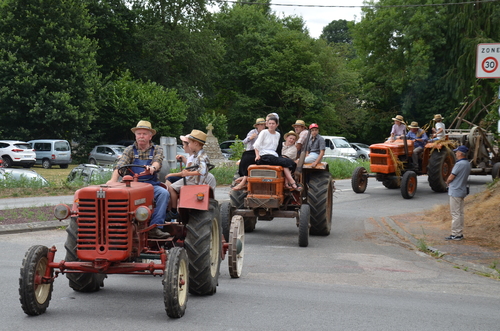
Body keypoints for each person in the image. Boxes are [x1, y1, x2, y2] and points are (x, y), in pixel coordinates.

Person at [107, 120, 170, 239]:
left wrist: (152, 167)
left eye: (144, 134)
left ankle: (155, 227)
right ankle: (116, 227)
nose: (141, 136)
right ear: (135, 135)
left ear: (150, 136)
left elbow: (158, 161)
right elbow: (120, 165)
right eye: (139, 134)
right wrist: (112, 181)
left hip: (150, 185)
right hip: (131, 185)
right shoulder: (129, 150)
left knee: (164, 193)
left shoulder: (157, 149)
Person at [167, 129, 213, 210]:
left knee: (171, 188)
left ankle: (173, 211)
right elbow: (193, 167)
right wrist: (186, 170)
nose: (189, 145)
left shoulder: (201, 156)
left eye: (190, 143)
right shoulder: (196, 155)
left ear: (195, 144)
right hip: (193, 179)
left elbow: (202, 171)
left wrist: (188, 174)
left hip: (194, 181)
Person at [254, 116, 301, 190]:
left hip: (273, 155)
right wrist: (257, 155)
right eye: (270, 123)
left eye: (273, 123)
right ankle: (292, 182)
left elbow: (277, 148)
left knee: (291, 163)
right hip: (264, 154)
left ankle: (287, 182)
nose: (271, 125)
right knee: (284, 161)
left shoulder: (278, 134)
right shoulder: (264, 132)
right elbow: (257, 145)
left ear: (277, 125)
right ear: (267, 124)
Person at [445, 145, 471, 241]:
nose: (455, 153)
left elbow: (452, 176)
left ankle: (455, 234)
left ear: (460, 153)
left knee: (455, 213)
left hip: (455, 190)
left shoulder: (459, 164)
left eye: (457, 152)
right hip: (462, 189)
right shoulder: (467, 163)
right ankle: (459, 232)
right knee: (460, 213)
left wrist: (447, 182)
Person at [233, 118, 266, 189]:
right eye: (261, 125)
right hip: (251, 151)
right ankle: (242, 174)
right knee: (246, 158)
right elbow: (244, 142)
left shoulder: (266, 133)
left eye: (264, 125)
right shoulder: (253, 132)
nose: (263, 126)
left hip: (261, 152)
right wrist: (251, 138)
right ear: (257, 126)